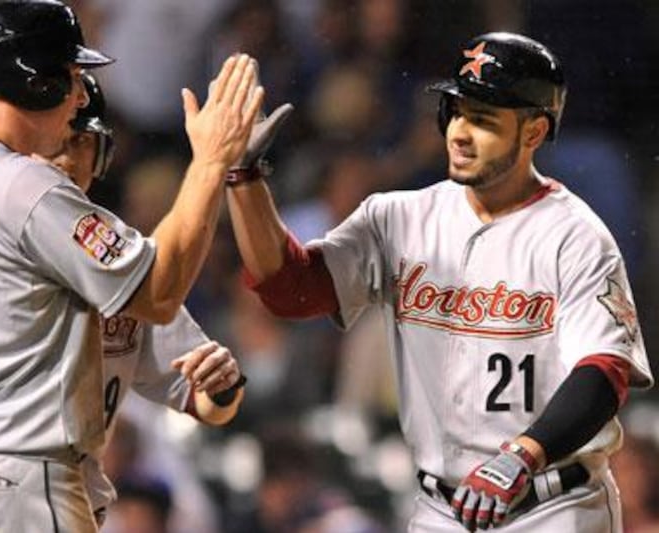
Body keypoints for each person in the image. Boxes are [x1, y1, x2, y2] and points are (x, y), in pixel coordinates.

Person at [225, 32, 654, 532]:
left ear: (534, 132)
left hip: (552, 506)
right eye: (457, 111)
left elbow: (604, 373)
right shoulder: (398, 217)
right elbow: (291, 290)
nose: (460, 132)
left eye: (484, 120)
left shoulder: (575, 236)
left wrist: (522, 455)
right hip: (440, 509)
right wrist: (244, 177)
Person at [0, 1, 261, 531]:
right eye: (70, 76)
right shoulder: (24, 188)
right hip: (11, 485)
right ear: (34, 80)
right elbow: (159, 293)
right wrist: (211, 162)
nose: (77, 96)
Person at [50, 72, 246, 527]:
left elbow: (206, 400)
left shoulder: (115, 256)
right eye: (56, 141)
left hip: (75, 504)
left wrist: (223, 385)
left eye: (82, 141)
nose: (66, 156)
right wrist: (210, 165)